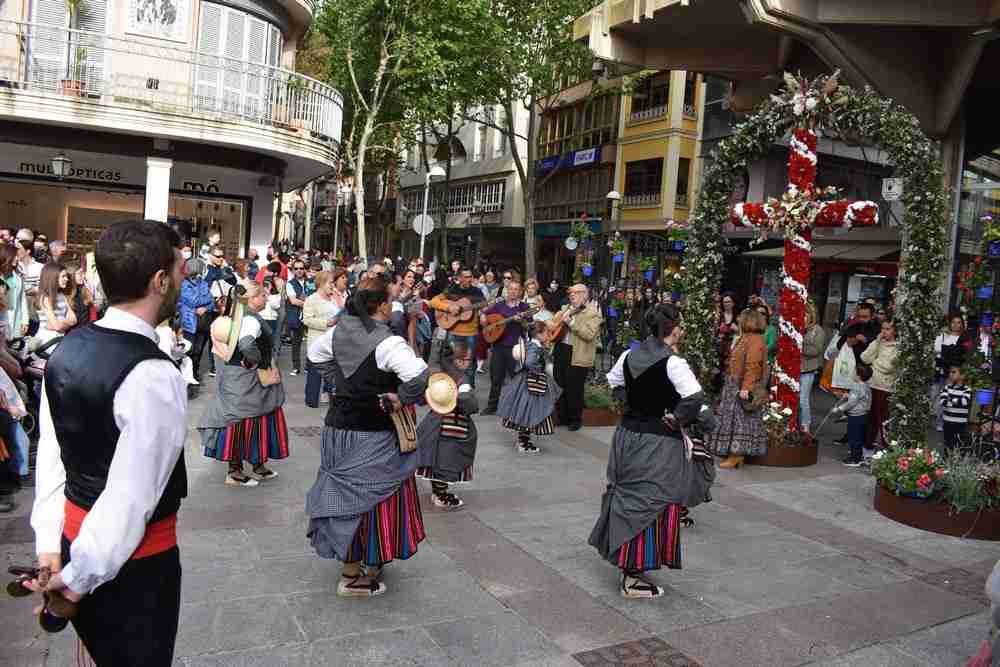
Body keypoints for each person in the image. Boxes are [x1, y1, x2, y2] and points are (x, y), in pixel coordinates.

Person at [27, 219, 188, 665]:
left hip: (74, 540)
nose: (181, 279)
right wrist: (76, 581)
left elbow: (54, 459)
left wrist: (50, 547)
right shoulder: (154, 375)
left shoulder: (66, 348)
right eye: (178, 271)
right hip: (131, 566)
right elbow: (130, 500)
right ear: (159, 281)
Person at [305, 277, 430, 597]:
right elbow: (420, 377)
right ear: (382, 305)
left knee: (345, 497)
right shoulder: (389, 343)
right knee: (372, 499)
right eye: (391, 299)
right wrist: (400, 398)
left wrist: (338, 384)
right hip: (374, 434)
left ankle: (358, 565)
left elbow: (315, 355)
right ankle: (355, 573)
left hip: (338, 430)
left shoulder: (338, 331)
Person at [588, 303, 716, 599]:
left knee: (629, 496)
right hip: (657, 443)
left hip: (626, 436)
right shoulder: (674, 363)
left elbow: (613, 382)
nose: (682, 331)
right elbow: (695, 398)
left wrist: (633, 405)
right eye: (680, 326)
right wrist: (675, 417)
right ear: (673, 330)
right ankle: (632, 577)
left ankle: (630, 567)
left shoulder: (627, 355)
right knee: (653, 499)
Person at [199, 280, 289, 487]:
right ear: (252, 298)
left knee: (257, 418)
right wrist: (255, 359)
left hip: (241, 378)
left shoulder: (238, 315)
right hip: (247, 379)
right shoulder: (250, 319)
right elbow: (246, 343)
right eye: (263, 295)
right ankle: (235, 472)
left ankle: (256, 465)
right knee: (243, 421)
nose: (266, 298)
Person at [416, 341, 478, 509]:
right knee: (447, 459)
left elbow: (432, 363)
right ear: (458, 360)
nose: (468, 363)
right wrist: (469, 402)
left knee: (436, 458)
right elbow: (469, 403)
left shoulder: (439, 371)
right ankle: (441, 494)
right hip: (453, 424)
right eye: (467, 359)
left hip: (435, 419)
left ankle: (438, 491)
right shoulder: (462, 379)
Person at [707, 308, 768, 468]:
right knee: (732, 419)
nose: (739, 320)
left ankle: (737, 454)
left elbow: (753, 365)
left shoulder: (755, 340)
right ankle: (732, 452)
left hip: (741, 385)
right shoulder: (744, 338)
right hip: (733, 383)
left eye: (741, 318)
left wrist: (746, 388)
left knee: (740, 420)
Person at [497, 321, 562, 453]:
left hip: (526, 381)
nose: (548, 335)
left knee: (525, 411)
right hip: (531, 383)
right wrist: (539, 369)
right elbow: (529, 362)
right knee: (528, 411)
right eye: (545, 333)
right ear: (538, 334)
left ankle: (524, 441)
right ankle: (524, 443)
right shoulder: (535, 347)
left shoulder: (531, 344)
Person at [549, 284, 601, 431]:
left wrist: (571, 322)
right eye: (571, 293)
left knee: (574, 388)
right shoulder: (566, 309)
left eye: (577, 293)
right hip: (561, 349)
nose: (572, 295)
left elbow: (589, 334)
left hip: (578, 353)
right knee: (559, 384)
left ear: (585, 295)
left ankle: (575, 420)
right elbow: (553, 325)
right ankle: (562, 417)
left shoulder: (593, 313)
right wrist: (557, 320)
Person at [480, 279, 531, 415]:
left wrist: (522, 321)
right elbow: (484, 314)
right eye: (511, 289)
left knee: (515, 378)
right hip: (498, 346)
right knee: (496, 378)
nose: (513, 291)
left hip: (515, 347)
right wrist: (484, 319)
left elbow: (528, 327)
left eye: (516, 289)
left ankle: (515, 408)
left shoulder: (524, 307)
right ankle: (492, 407)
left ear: (520, 292)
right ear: (507, 291)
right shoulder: (499, 305)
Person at [430, 268, 485, 388]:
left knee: (469, 366)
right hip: (453, 332)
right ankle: (451, 392)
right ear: (459, 278)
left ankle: (467, 393)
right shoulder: (451, 289)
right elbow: (433, 302)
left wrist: (485, 312)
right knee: (450, 364)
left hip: (470, 333)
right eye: (465, 277)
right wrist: (448, 308)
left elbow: (485, 307)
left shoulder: (477, 292)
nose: (468, 279)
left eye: (470, 276)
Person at [860, 319, 899, 454]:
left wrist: (874, 363)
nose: (884, 331)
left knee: (882, 418)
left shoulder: (897, 347)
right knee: (870, 417)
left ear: (894, 331)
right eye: (883, 328)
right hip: (871, 383)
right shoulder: (878, 343)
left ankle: (886, 444)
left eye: (888, 329)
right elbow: (864, 358)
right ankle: (868, 444)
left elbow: (888, 367)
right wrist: (876, 343)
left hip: (884, 387)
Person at [179, 257, 215, 382]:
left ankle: (194, 373)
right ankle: (185, 376)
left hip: (203, 323)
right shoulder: (184, 284)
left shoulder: (203, 282)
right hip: (190, 323)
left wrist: (206, 307)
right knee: (188, 350)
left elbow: (212, 302)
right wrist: (206, 300)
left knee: (198, 351)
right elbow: (193, 300)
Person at [934, 314, 971, 431]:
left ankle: (941, 422)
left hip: (953, 372)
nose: (955, 325)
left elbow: (965, 356)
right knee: (933, 395)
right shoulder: (943, 336)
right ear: (950, 323)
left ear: (962, 324)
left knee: (947, 396)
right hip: (939, 370)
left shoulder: (964, 339)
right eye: (953, 322)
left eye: (958, 322)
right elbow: (936, 351)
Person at [832, 364, 873, 466]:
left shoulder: (857, 387)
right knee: (859, 437)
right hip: (864, 415)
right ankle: (858, 455)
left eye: (854, 372)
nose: (852, 374)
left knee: (853, 437)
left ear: (858, 376)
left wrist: (838, 409)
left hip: (856, 416)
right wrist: (848, 395)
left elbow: (851, 403)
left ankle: (855, 459)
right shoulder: (866, 385)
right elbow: (859, 397)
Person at [800, 302, 827, 440]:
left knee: (802, 399)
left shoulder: (817, 331)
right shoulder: (797, 328)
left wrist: (799, 346)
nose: (803, 317)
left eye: (806, 314)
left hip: (808, 369)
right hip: (796, 368)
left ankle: (805, 424)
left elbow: (816, 350)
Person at [35, 263, 77, 346]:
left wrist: (60, 324)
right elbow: (57, 326)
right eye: (63, 276)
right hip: (47, 341)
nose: (67, 279)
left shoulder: (61, 295)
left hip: (59, 338)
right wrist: (65, 323)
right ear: (53, 278)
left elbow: (74, 320)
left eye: (66, 276)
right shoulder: (45, 298)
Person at [0, 244, 29, 341]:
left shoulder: (18, 278)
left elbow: (22, 301)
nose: (17, 259)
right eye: (15, 256)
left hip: (15, 321)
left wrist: (25, 320)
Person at [940, 365, 971, 452]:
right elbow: (943, 402)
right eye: (950, 372)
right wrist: (957, 401)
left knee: (958, 445)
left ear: (962, 376)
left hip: (960, 423)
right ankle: (945, 463)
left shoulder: (967, 389)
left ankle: (955, 463)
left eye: (954, 372)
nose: (950, 374)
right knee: (947, 444)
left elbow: (964, 402)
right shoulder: (947, 387)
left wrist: (951, 400)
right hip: (948, 422)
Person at [286, 259, 308, 376]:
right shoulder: (290, 284)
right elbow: (293, 301)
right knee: (296, 343)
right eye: (296, 269)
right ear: (293, 270)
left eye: (301, 268)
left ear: (305, 269)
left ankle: (309, 366)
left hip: (310, 316)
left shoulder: (310, 282)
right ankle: (296, 367)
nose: (299, 271)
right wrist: (309, 303)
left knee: (313, 342)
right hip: (297, 317)